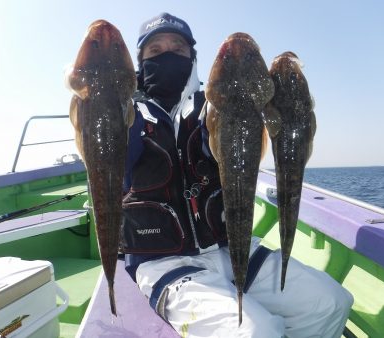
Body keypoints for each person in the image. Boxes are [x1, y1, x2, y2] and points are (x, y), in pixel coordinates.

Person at [121, 12, 353, 338]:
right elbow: (116, 158)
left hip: (231, 247)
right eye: (156, 51)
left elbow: (216, 138)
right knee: (257, 331)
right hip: (166, 262)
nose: (168, 55)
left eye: (178, 49)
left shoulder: (213, 105)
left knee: (331, 302)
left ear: (194, 59)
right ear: (140, 62)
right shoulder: (125, 111)